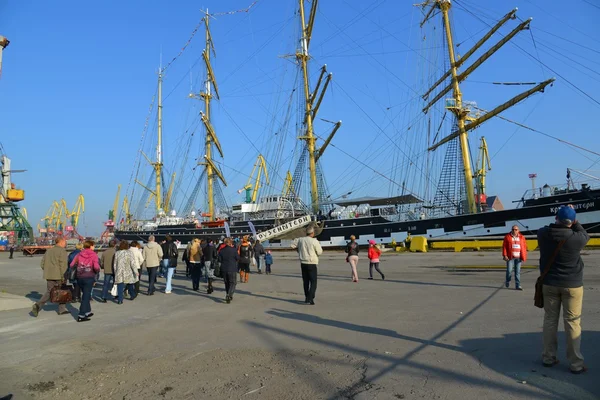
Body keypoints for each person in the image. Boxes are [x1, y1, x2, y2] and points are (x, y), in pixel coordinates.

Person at [537, 204, 589, 374]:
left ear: (556, 218)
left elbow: (546, 228)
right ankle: (576, 364)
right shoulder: (577, 238)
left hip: (550, 284)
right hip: (572, 285)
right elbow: (583, 232)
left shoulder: (543, 234)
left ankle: (548, 357)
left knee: (550, 320)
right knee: (573, 323)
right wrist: (575, 220)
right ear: (572, 221)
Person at [32, 237, 69, 317]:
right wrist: (62, 275)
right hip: (59, 275)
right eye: (65, 242)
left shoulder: (49, 251)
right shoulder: (62, 251)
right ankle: (61, 309)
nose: (65, 243)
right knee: (62, 291)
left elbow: (42, 263)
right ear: (61, 242)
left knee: (49, 291)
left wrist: (47, 271)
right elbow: (63, 265)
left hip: (49, 275)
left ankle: (38, 305)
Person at [290, 226, 323, 305]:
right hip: (312, 263)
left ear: (306, 233)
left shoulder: (300, 240)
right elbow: (319, 252)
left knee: (306, 282)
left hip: (303, 263)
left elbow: (292, 245)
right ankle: (310, 298)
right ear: (312, 233)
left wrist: (298, 250)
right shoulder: (314, 241)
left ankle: (307, 297)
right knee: (313, 282)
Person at [70, 240, 100, 322]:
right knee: (86, 297)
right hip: (89, 277)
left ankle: (87, 311)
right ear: (91, 246)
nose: (94, 247)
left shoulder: (79, 254)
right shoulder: (94, 255)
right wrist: (96, 270)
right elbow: (96, 267)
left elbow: (71, 264)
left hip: (80, 277)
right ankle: (81, 315)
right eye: (93, 245)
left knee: (85, 294)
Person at [502, 225, 527, 290]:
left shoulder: (522, 237)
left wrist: (524, 255)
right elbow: (504, 247)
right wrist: (505, 255)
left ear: (518, 230)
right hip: (510, 257)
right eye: (513, 229)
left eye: (516, 229)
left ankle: (518, 285)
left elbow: (524, 247)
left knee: (517, 272)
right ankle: (508, 280)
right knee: (509, 271)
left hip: (518, 257)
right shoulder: (507, 237)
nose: (514, 231)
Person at [219, 238, 239, 304]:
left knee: (226, 282)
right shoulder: (234, 250)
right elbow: (237, 258)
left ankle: (228, 293)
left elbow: (219, 259)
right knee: (233, 282)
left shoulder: (221, 250)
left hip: (224, 268)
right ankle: (229, 295)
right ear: (230, 243)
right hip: (232, 268)